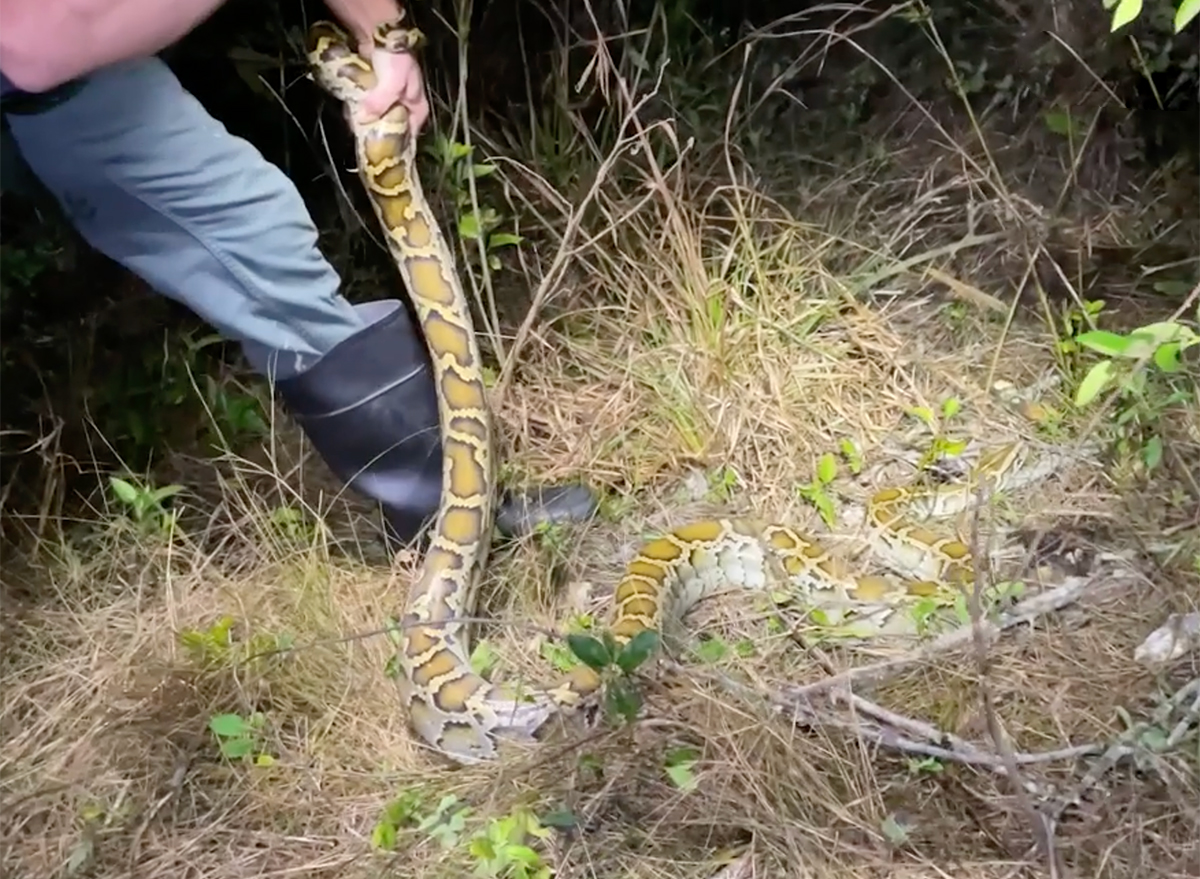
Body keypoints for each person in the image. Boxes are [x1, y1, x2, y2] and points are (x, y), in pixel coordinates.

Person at [0, 0, 599, 550]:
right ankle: (442, 516)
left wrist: (382, 35)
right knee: (256, 235)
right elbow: (32, 45)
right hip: (49, 73)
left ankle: (445, 506)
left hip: (89, 68)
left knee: (262, 225)